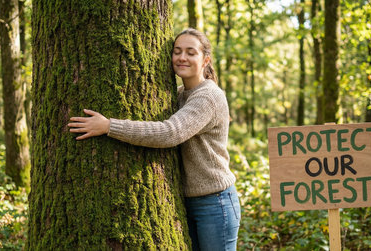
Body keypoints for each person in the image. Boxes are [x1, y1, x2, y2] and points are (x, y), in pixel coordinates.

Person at [67, 28, 241, 251]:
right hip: (190, 201)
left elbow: (170, 133)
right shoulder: (179, 94)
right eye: (177, 51)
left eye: (191, 52)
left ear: (205, 59)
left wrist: (110, 126)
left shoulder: (208, 96)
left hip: (215, 203)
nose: (182, 57)